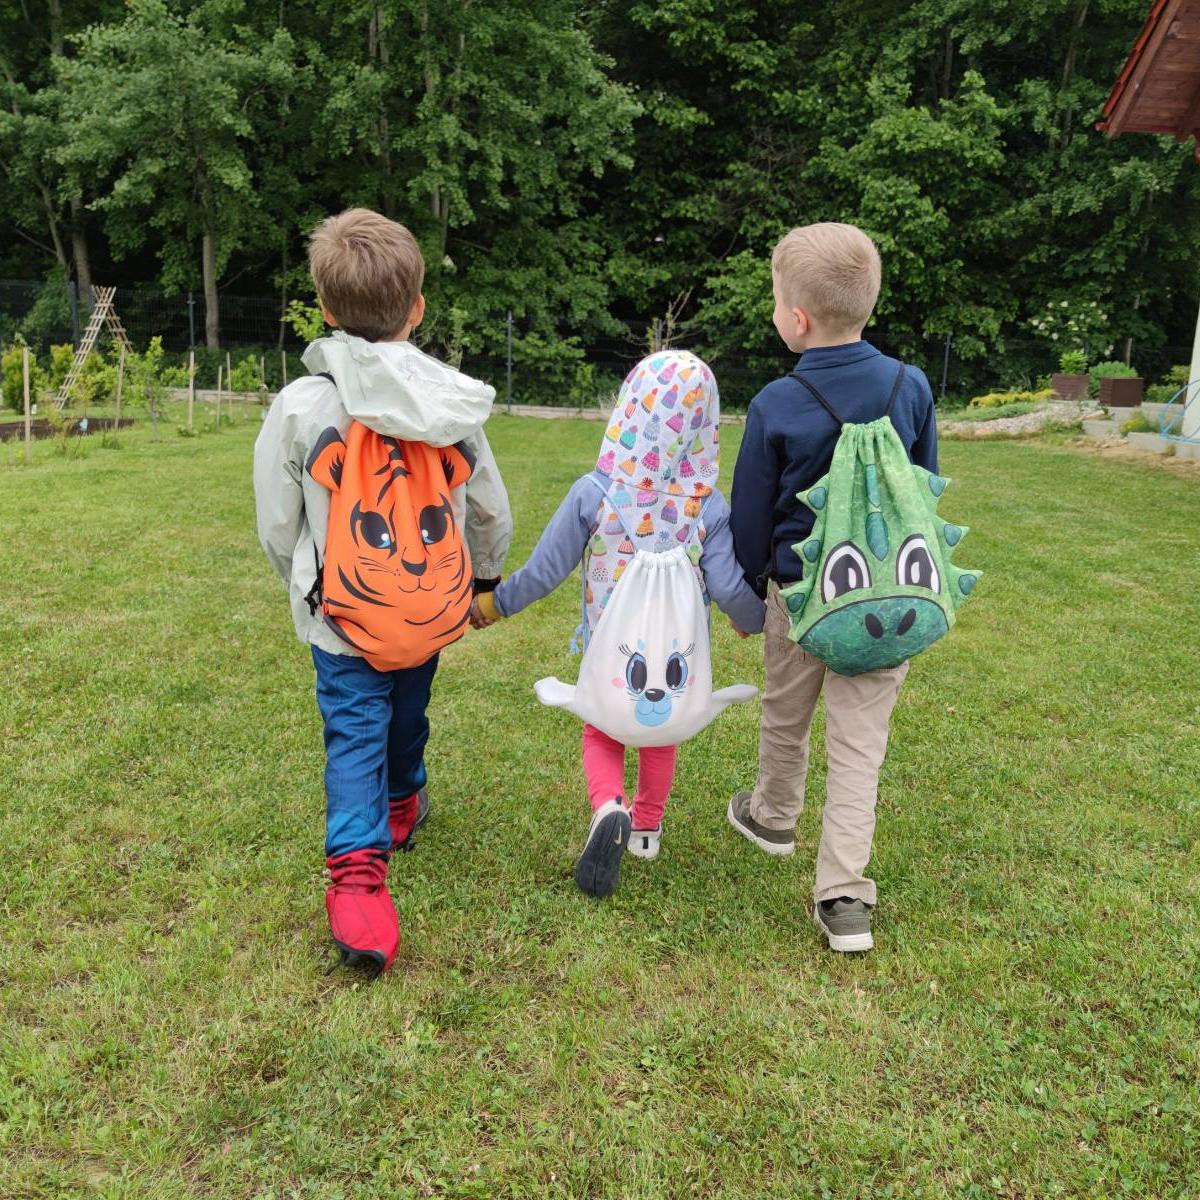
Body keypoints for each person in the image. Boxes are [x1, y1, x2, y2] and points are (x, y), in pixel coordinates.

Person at [253, 208, 512, 972]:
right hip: (429, 607)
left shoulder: (302, 406)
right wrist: (484, 576)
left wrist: (303, 584)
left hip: (342, 617)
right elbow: (489, 504)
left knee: (355, 728)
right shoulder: (453, 403)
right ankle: (404, 799)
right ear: (418, 309)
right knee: (407, 707)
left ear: (325, 310)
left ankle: (360, 880)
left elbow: (278, 519)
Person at [472, 350, 764, 897]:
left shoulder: (596, 493)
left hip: (611, 650)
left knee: (602, 725)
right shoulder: (708, 505)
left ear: (629, 410)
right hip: (673, 656)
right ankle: (647, 827)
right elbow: (726, 586)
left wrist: (495, 604)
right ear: (704, 426)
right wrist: (755, 620)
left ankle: (608, 805)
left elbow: (547, 569)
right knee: (662, 730)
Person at [727, 222, 938, 953]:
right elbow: (924, 487)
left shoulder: (775, 405)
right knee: (860, 747)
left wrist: (755, 588)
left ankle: (772, 815)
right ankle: (844, 898)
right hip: (885, 600)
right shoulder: (911, 386)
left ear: (797, 317)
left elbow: (750, 518)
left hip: (800, 595)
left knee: (786, 714)